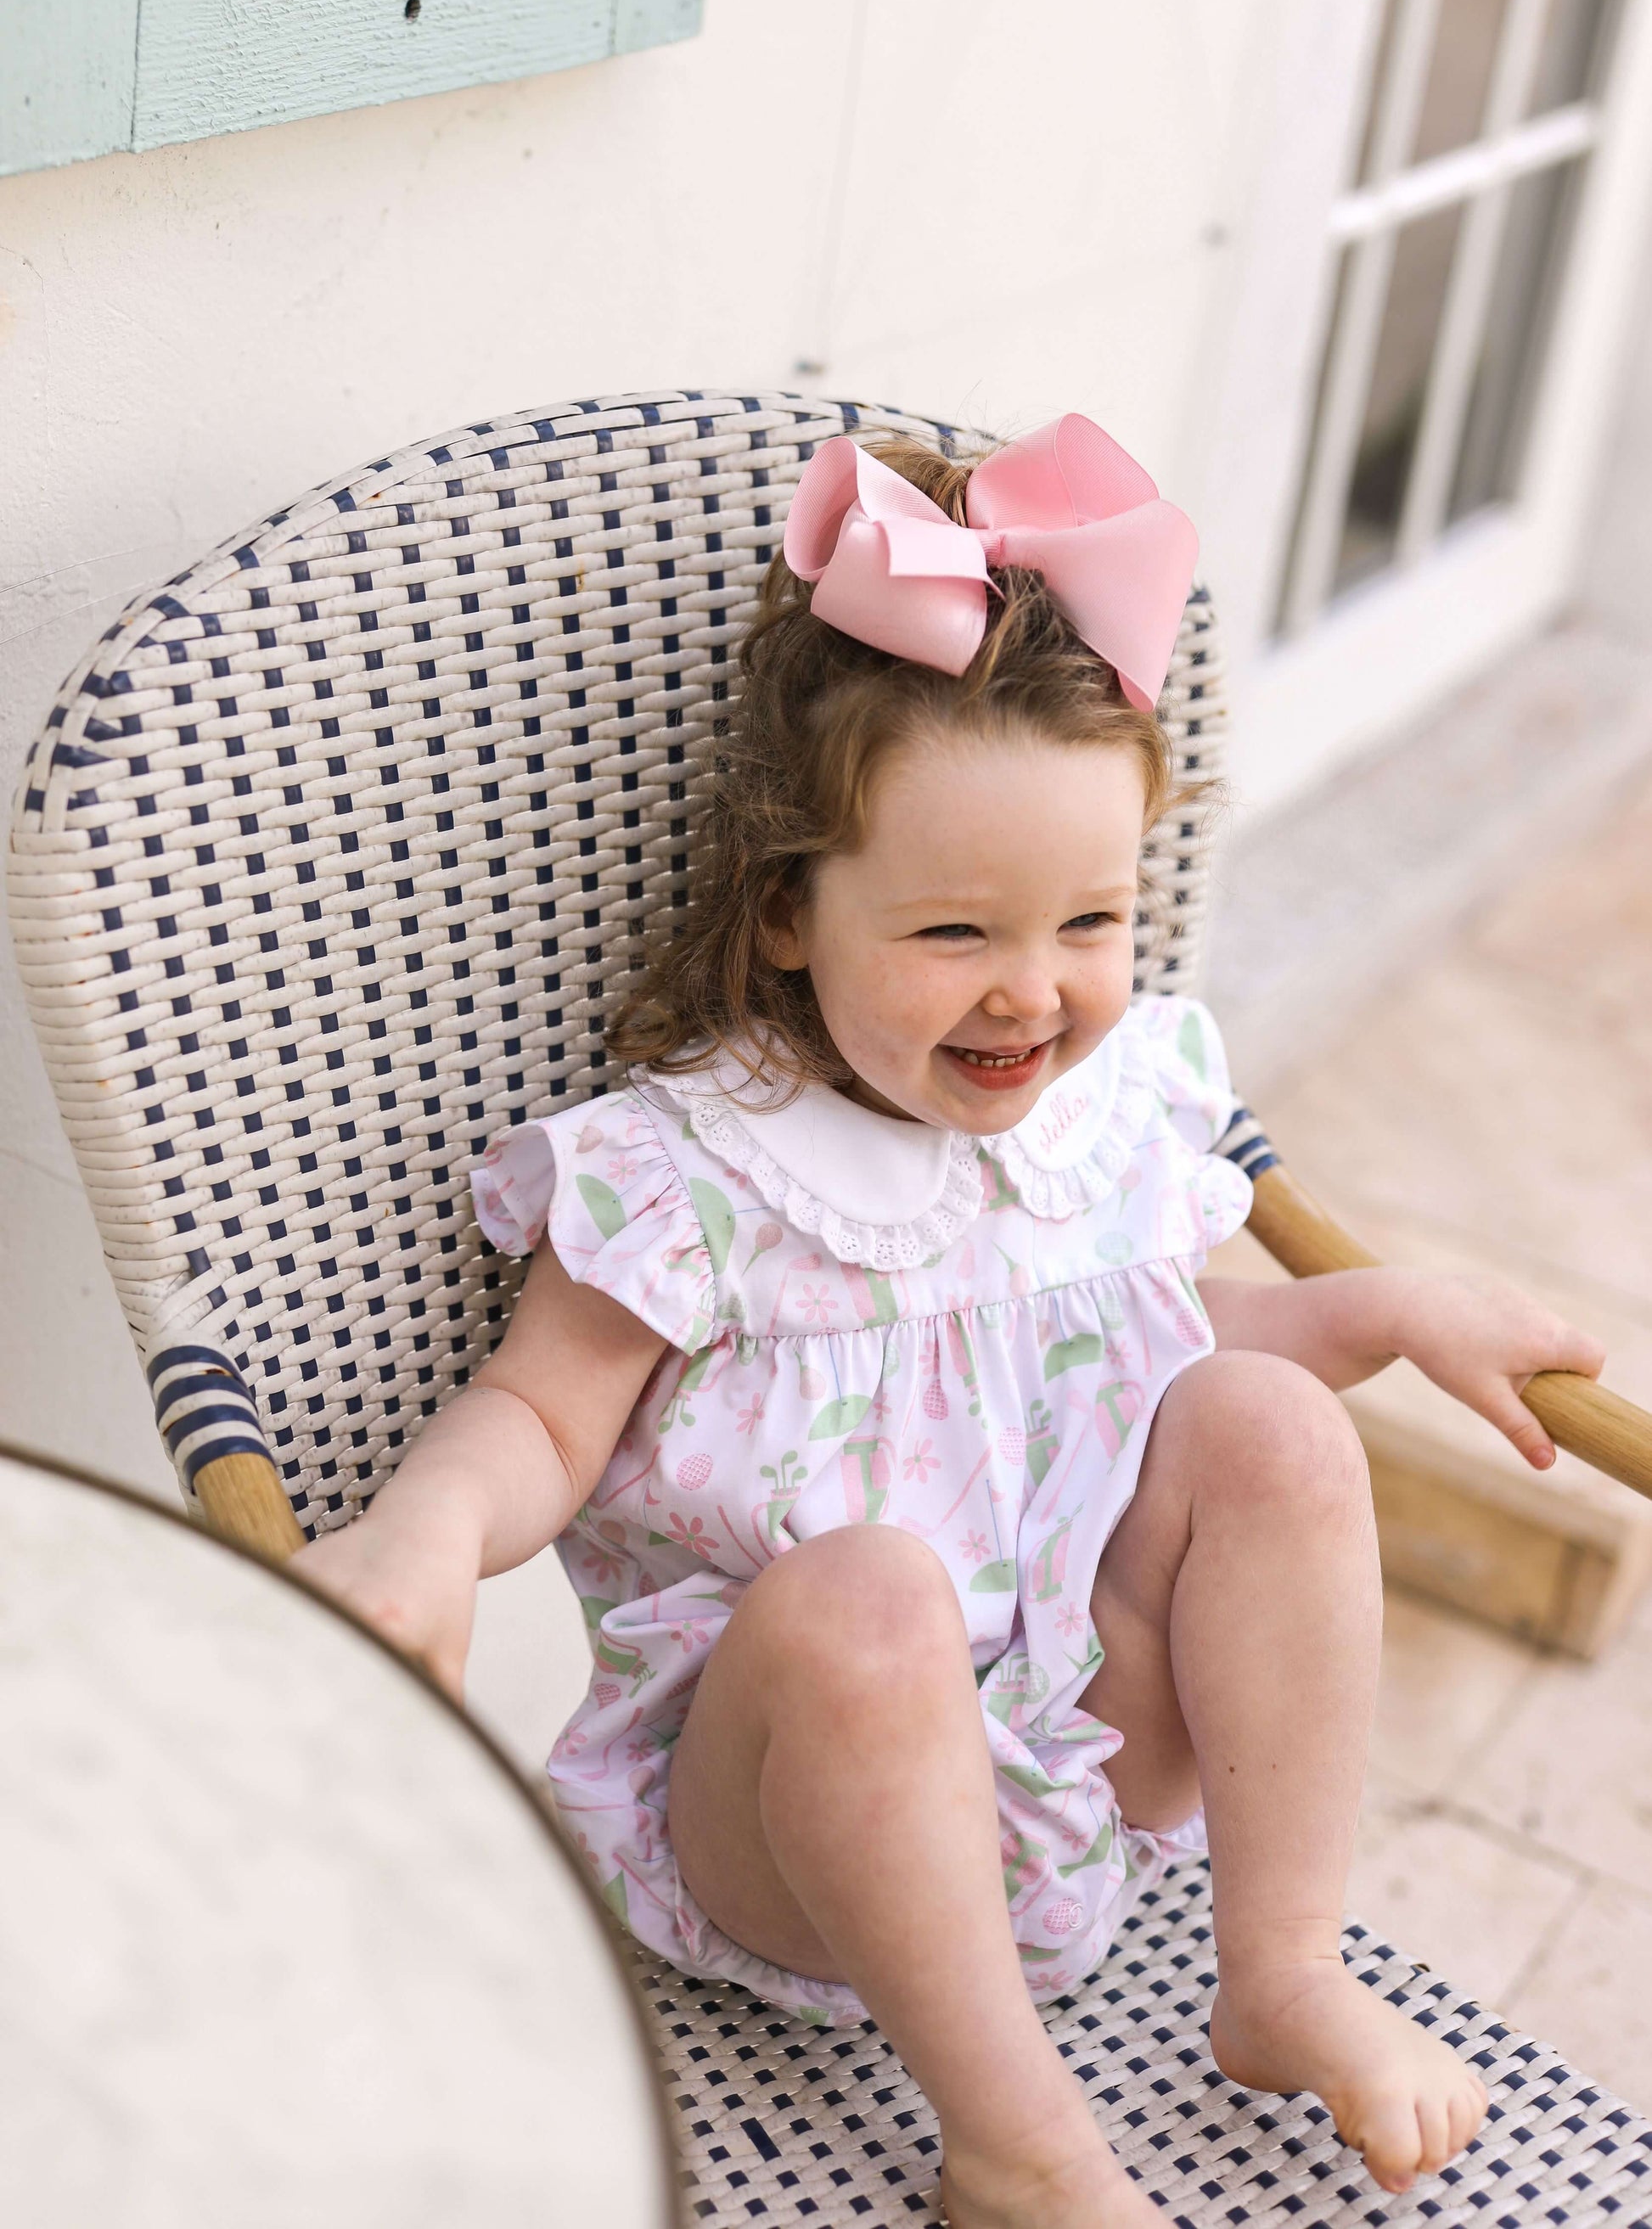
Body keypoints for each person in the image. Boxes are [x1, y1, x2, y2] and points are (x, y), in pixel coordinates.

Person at [301, 415, 1604, 2227]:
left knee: (1272, 1423)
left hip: (1076, 1777)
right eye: (950, 930)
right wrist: (425, 1530)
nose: (1032, 988)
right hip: (782, 1822)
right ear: (784, 915)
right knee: (866, 1588)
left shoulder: (1108, 1118)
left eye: (1089, 917)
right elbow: (538, 1416)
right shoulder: (700, 1172)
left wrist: (1383, 1307)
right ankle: (1019, 2142)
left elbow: (1151, 1340)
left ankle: (1278, 1962)